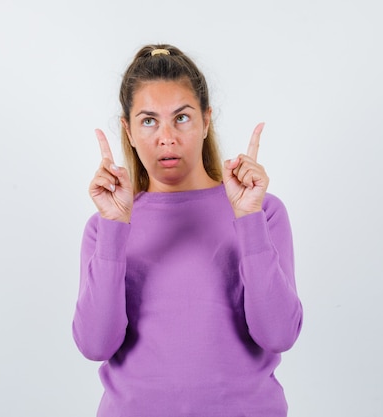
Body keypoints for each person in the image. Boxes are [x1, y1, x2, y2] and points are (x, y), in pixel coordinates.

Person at [72, 44, 303, 417]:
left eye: (181, 118)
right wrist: (115, 229)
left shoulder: (262, 212)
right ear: (127, 130)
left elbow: (278, 335)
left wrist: (248, 219)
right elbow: (96, 345)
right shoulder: (105, 228)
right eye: (149, 121)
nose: (167, 137)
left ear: (206, 120)